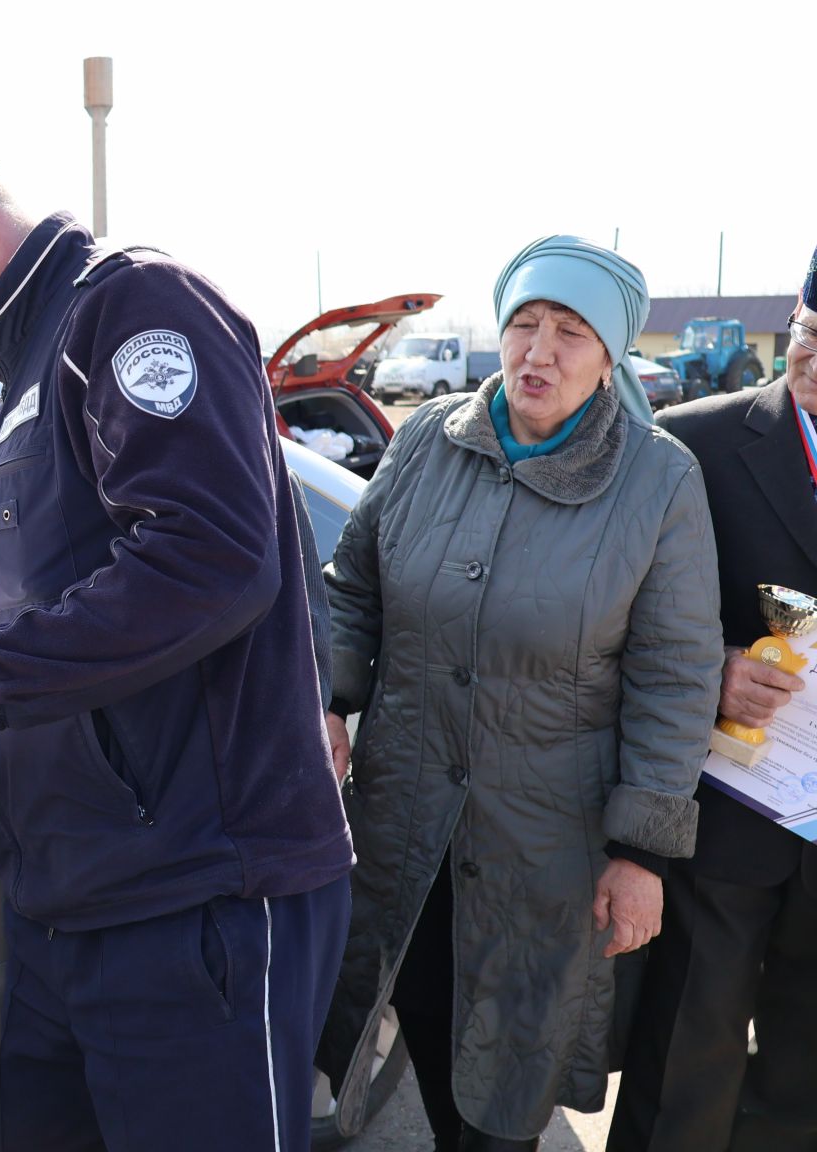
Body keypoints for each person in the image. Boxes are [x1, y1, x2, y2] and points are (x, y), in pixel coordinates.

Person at [0, 99, 353, 1151]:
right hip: (68, 906)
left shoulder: (128, 308)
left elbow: (210, 561)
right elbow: (39, 612)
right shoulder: (25, 363)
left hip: (194, 901)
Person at [317, 236, 721, 1151]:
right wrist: (329, 702)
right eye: (524, 324)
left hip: (550, 853)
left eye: (570, 331)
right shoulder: (428, 437)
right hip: (406, 826)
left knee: (502, 1095)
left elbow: (676, 677)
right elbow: (352, 591)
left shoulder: (657, 481)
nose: (539, 351)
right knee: (414, 1027)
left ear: (611, 353)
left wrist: (642, 854)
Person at [609, 247, 817, 1152]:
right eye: (810, 336)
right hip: (731, 808)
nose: (816, 360)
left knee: (805, 1070)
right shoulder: (692, 442)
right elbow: (612, 610)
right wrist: (716, 669)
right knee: (686, 1051)